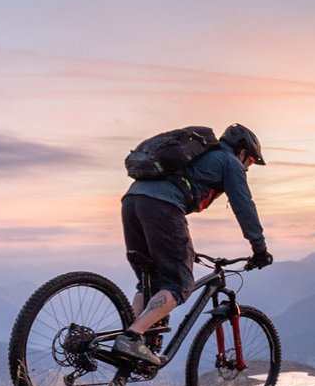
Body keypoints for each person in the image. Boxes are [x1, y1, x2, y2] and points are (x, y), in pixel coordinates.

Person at [114, 123, 272, 366]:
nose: (248, 168)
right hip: (161, 206)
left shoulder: (200, 156)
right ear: (242, 153)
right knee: (179, 284)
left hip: (132, 202)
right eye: (250, 162)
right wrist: (259, 248)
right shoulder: (229, 162)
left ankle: (130, 336)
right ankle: (133, 337)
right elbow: (244, 206)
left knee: (149, 281)